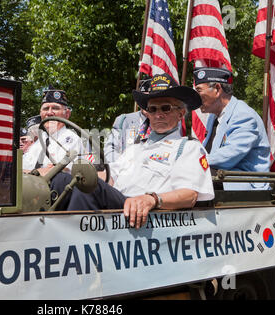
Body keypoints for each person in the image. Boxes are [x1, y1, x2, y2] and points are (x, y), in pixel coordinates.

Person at [51, 73, 215, 229]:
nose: (158, 114)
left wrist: (152, 199)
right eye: (153, 109)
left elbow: (189, 195)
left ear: (180, 114)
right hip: (119, 209)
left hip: (145, 213)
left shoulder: (188, 147)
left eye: (165, 108)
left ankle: (70, 243)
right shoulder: (135, 148)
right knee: (61, 180)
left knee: (87, 188)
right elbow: (109, 178)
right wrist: (69, 172)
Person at [193, 67, 271, 190]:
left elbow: (228, 157)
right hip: (222, 180)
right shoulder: (213, 118)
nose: (195, 97)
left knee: (191, 177)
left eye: (199, 91)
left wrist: (192, 162)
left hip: (245, 189)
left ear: (217, 89)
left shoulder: (243, 115)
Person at [22, 87, 85, 174]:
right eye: (46, 109)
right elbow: (20, 169)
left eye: (55, 108)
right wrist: (39, 172)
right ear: (40, 114)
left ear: (67, 114)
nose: (49, 113)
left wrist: (32, 172)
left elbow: (60, 172)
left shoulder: (71, 139)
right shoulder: (39, 141)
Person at [104, 78, 151, 163]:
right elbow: (110, 148)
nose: (147, 104)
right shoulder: (123, 120)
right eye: (144, 99)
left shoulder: (164, 124)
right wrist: (122, 167)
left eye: (150, 100)